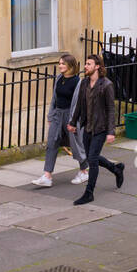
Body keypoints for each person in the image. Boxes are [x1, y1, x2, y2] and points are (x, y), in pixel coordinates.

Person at [68, 53, 125, 205]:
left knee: (92, 160)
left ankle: (89, 193)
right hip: (87, 126)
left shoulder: (106, 85)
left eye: (89, 64)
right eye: (86, 64)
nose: (85, 66)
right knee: (91, 157)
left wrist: (111, 131)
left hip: (101, 128)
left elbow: (111, 109)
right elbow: (80, 104)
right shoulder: (85, 83)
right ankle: (116, 169)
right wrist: (73, 122)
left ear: (97, 66)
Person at [32, 54, 90, 187]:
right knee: (51, 143)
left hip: (71, 116)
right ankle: (47, 176)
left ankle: (84, 171)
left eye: (63, 63)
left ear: (70, 65)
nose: (60, 66)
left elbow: (78, 103)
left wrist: (73, 122)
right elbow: (54, 99)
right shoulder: (59, 78)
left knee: (76, 145)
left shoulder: (78, 82)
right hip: (58, 115)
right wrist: (51, 116)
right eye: (59, 63)